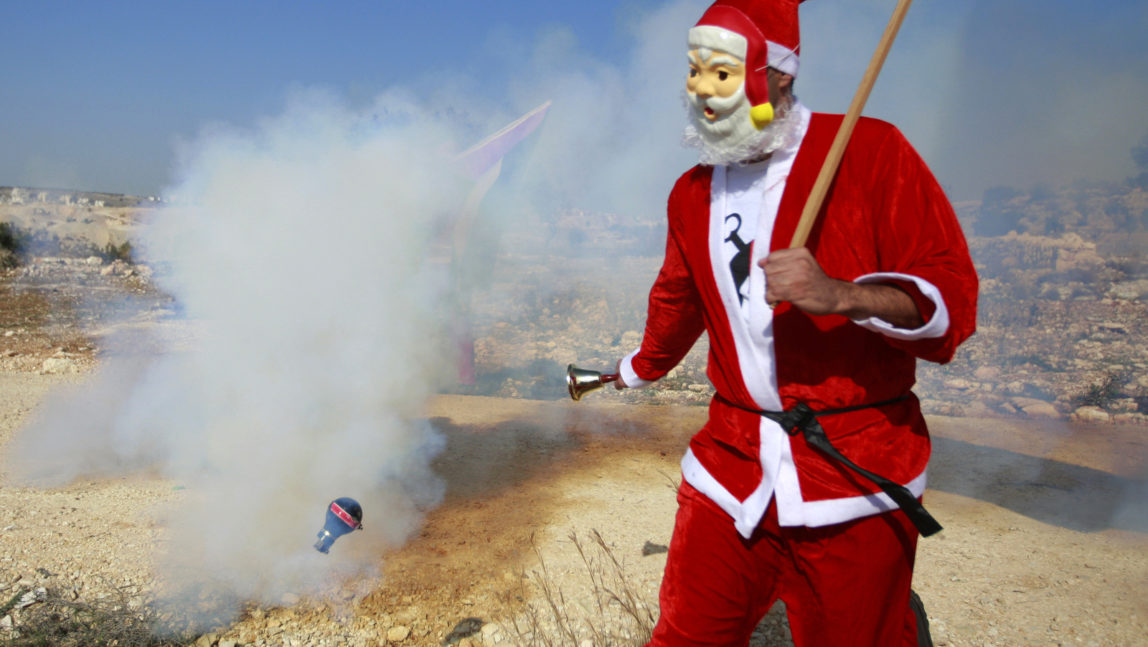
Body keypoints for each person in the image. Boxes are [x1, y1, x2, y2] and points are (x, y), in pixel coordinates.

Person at [611, 1, 978, 645]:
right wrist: (638, 368)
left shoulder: (870, 150)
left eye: (720, 73)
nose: (699, 89)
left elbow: (951, 294)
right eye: (694, 71)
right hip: (731, 467)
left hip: (853, 472)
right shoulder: (692, 191)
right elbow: (677, 297)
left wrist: (843, 296)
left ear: (774, 75)